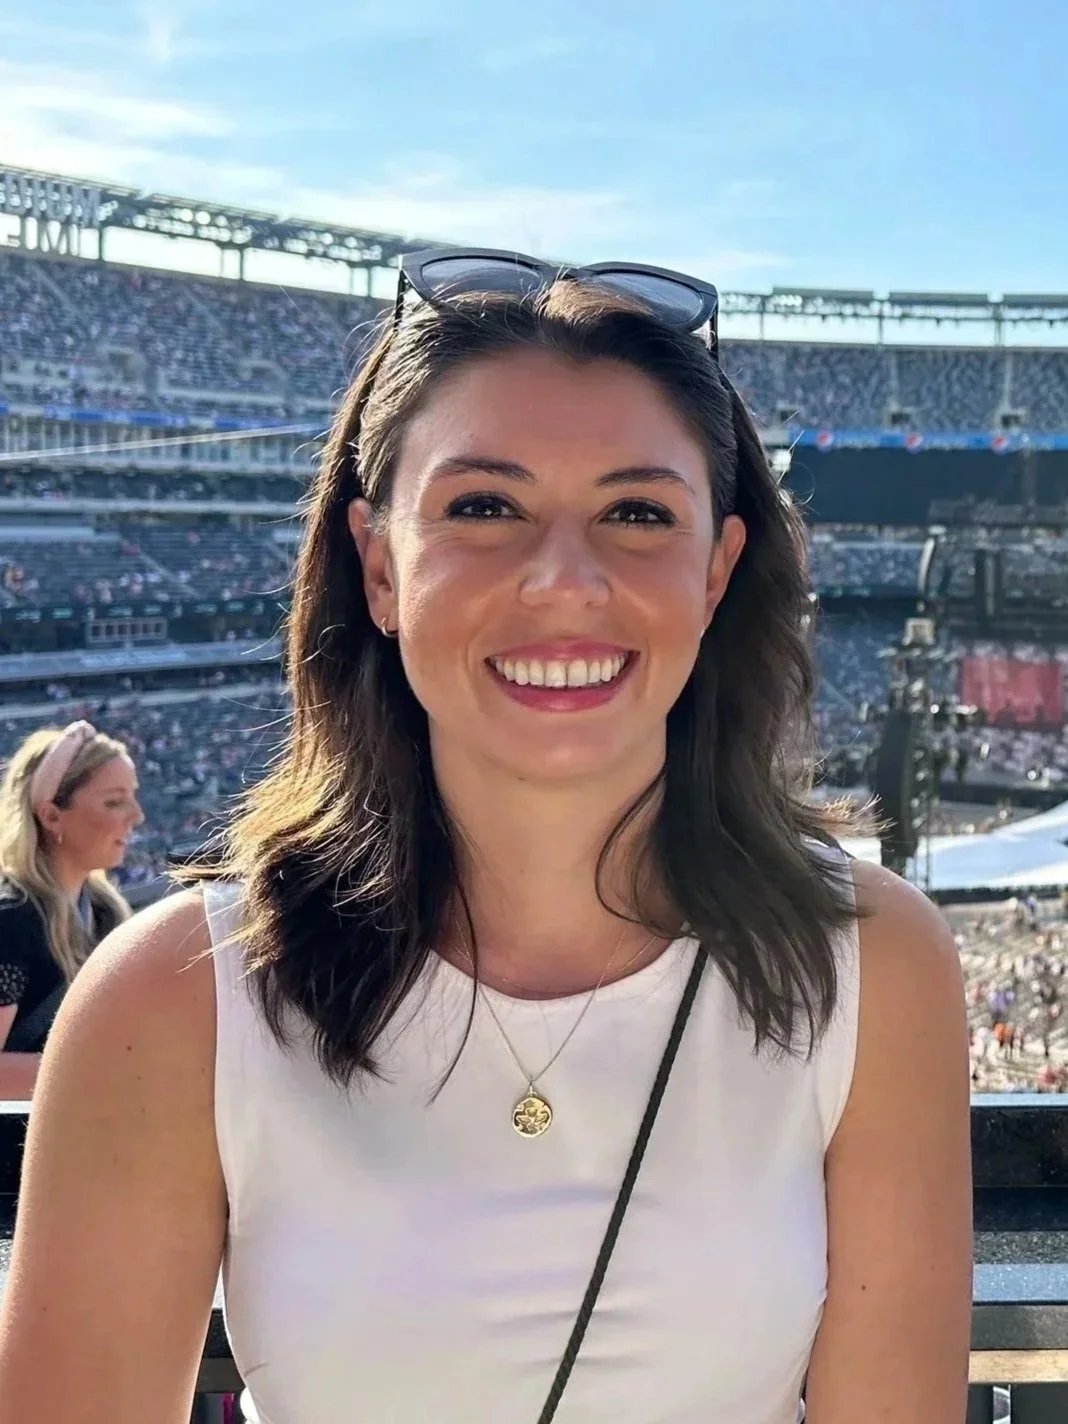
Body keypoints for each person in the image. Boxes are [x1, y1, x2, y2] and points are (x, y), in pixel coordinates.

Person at [0, 254, 972, 1423]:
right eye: (483, 507)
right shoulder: (172, 995)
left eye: (636, 512)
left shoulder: (877, 965)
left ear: (715, 572)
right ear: (378, 565)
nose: (564, 579)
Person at [0, 720, 143, 1099]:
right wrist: (102, 1071)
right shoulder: (12, 918)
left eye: (132, 796)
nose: (136, 815)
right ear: (50, 816)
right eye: (114, 801)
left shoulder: (105, 911)